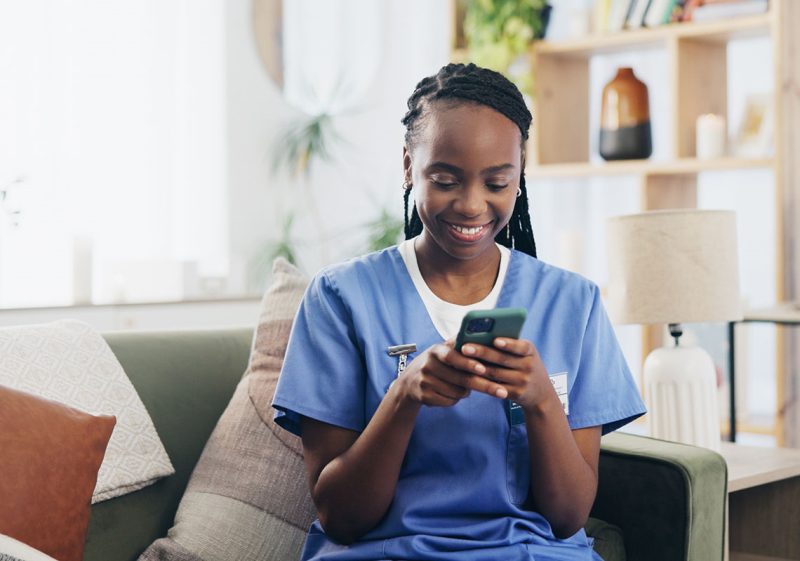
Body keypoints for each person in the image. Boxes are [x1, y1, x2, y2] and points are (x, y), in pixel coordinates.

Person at [272, 62, 646, 561]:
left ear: (520, 174)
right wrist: (403, 397)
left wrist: (540, 402)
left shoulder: (572, 303)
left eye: (496, 182)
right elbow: (340, 516)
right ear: (409, 166)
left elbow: (567, 518)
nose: (472, 205)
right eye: (446, 179)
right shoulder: (341, 298)